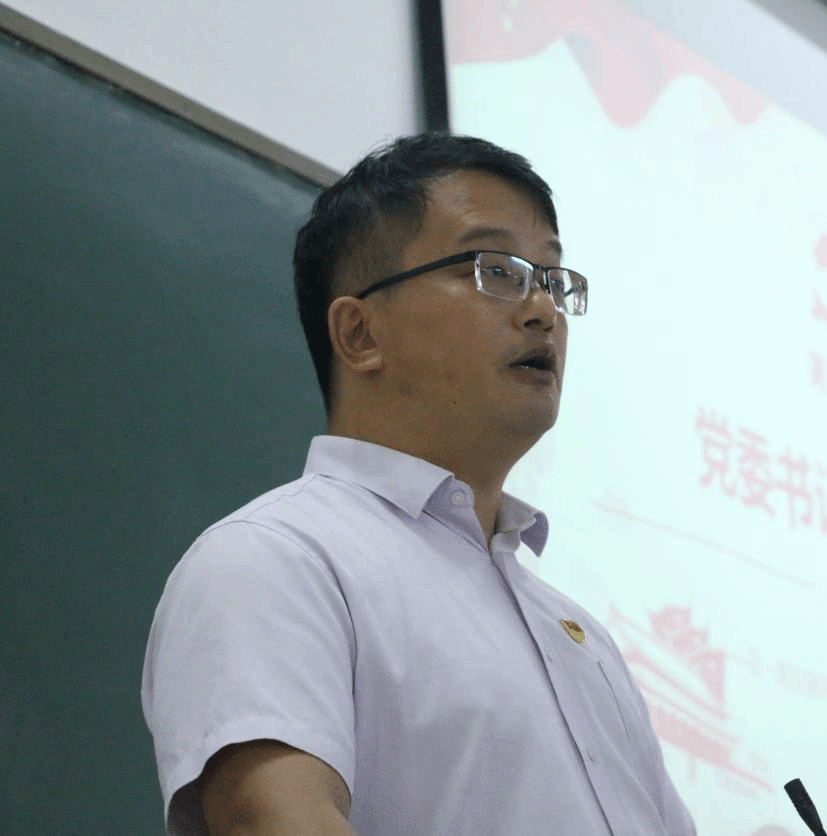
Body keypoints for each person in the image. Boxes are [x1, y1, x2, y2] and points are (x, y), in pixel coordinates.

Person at [141, 133, 696, 836]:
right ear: (360, 334)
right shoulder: (275, 558)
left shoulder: (583, 640)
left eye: (553, 280)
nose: (542, 310)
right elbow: (275, 821)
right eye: (494, 270)